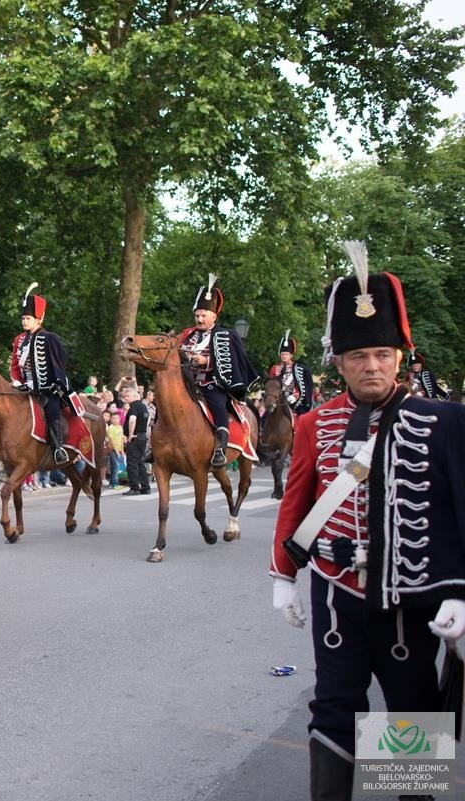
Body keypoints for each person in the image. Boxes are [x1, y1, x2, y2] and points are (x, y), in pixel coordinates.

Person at [269, 241, 465, 800]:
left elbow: (459, 510)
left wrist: (460, 589)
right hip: (337, 592)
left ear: (401, 356)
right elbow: (298, 503)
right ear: (339, 362)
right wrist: (284, 576)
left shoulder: (445, 422)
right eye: (358, 357)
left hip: (410, 598)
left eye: (382, 353)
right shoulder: (313, 424)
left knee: (411, 708)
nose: (371, 366)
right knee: (334, 706)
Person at [178, 275, 259, 466]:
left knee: (217, 404)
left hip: (212, 383)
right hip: (188, 383)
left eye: (203, 316)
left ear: (213, 316)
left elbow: (231, 361)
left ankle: (220, 449)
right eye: (197, 315)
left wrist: (205, 360)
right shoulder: (188, 334)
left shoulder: (226, 335)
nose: (199, 319)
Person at [9, 283, 83, 464]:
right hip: (24, 388)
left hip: (48, 388)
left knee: (51, 412)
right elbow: (14, 364)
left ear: (39, 319)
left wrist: (53, 382)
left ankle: (58, 449)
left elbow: (60, 361)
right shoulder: (19, 339)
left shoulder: (49, 338)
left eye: (28, 318)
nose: (24, 321)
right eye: (23, 318)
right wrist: (17, 381)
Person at [268, 330, 315, 415]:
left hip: (294, 398)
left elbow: (302, 387)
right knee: (265, 418)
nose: (284, 356)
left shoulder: (298, 369)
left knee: (302, 416)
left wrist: (294, 396)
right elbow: (271, 385)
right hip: (277, 398)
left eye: (286, 354)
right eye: (282, 354)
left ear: (291, 355)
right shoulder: (274, 368)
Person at [121, 386, 150, 495]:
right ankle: (145, 487)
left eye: (128, 395)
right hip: (142, 436)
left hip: (135, 438)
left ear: (134, 396)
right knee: (140, 462)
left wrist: (131, 434)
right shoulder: (144, 407)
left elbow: (132, 420)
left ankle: (134, 488)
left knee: (132, 463)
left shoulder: (134, 406)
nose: (126, 397)